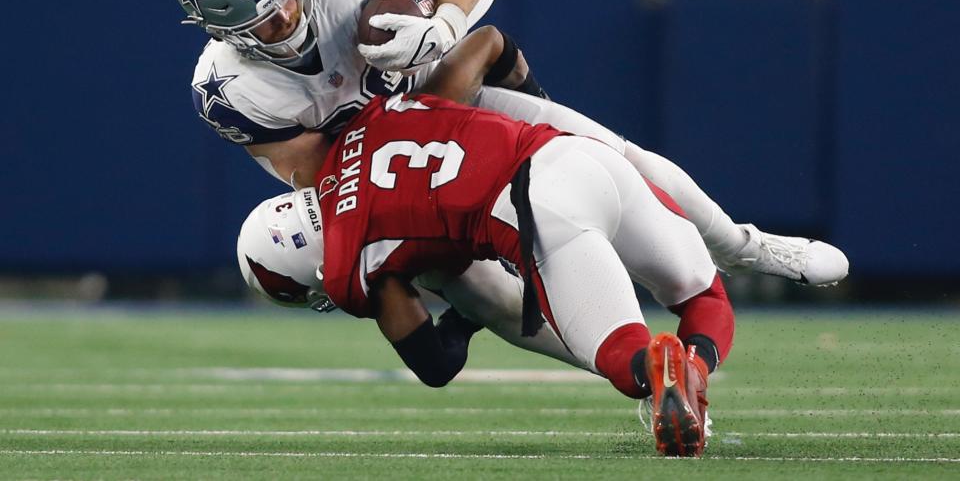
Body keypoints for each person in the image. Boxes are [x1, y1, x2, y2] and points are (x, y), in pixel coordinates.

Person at [168, 0, 848, 286]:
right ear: (220, 27)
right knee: (506, 301)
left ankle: (744, 247)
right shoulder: (228, 90)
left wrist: (443, 25)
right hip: (390, 183)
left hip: (452, 102)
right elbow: (329, 173)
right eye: (266, 17)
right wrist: (410, 101)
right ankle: (641, 367)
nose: (288, 12)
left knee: (612, 155)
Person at [235, 34, 737, 457]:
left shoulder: (350, 267)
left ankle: (661, 367)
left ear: (307, 269)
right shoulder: (363, 126)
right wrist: (532, 92)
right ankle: (693, 369)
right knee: (703, 295)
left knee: (626, 361)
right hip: (574, 151)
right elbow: (486, 42)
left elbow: (435, 366)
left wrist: (465, 314)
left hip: (538, 209)